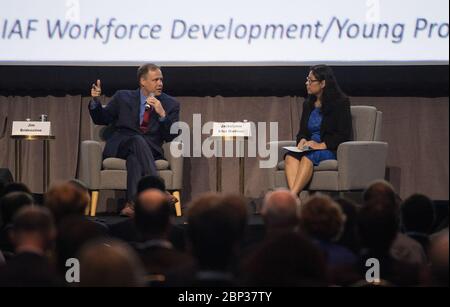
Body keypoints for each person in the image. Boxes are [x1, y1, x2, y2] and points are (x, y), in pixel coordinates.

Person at [89, 63, 180, 216]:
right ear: (142, 81)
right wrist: (95, 101)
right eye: (155, 80)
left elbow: (171, 136)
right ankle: (159, 188)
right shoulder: (123, 97)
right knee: (136, 140)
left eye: (161, 80)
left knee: (134, 159)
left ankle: (131, 205)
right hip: (121, 146)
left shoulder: (170, 103)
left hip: (150, 149)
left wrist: (162, 114)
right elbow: (102, 119)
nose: (160, 83)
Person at [284, 65, 352, 195]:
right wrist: (302, 140)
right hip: (309, 147)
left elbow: (343, 135)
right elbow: (302, 132)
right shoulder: (308, 104)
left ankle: (292, 197)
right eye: (307, 80)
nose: (307, 83)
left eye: (310, 81)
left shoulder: (341, 103)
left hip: (329, 148)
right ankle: (297, 200)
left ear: (323, 83)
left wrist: (321, 145)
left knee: (308, 157)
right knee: (290, 157)